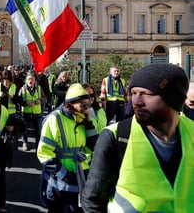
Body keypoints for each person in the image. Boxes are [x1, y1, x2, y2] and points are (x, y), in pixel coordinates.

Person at [81, 63, 194, 212]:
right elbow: (92, 201)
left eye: (147, 94)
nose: (137, 101)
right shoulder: (116, 136)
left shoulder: (191, 132)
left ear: (172, 99)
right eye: (134, 93)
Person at [37, 83, 98, 213]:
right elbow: (44, 153)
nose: (86, 109)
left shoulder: (82, 119)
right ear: (71, 103)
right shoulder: (54, 119)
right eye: (83, 105)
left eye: (88, 105)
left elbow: (92, 147)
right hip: (60, 182)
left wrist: (89, 124)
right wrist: (63, 174)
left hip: (80, 177)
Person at [18, 72, 43, 151]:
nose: (30, 81)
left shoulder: (39, 88)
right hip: (26, 112)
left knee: (38, 130)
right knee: (25, 129)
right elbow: (18, 100)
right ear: (26, 81)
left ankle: (38, 146)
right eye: (29, 79)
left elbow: (44, 98)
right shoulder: (22, 89)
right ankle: (25, 143)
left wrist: (40, 100)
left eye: (32, 79)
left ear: (35, 81)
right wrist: (25, 103)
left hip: (37, 113)